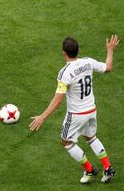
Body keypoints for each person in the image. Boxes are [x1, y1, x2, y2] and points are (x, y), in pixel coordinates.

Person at [29, 35, 119, 184]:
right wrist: (110, 50)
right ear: (78, 50)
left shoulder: (65, 73)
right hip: (91, 110)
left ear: (64, 52)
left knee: (66, 142)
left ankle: (89, 170)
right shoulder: (88, 62)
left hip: (77, 114)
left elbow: (58, 99)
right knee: (91, 137)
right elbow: (108, 67)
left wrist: (42, 117)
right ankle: (107, 167)